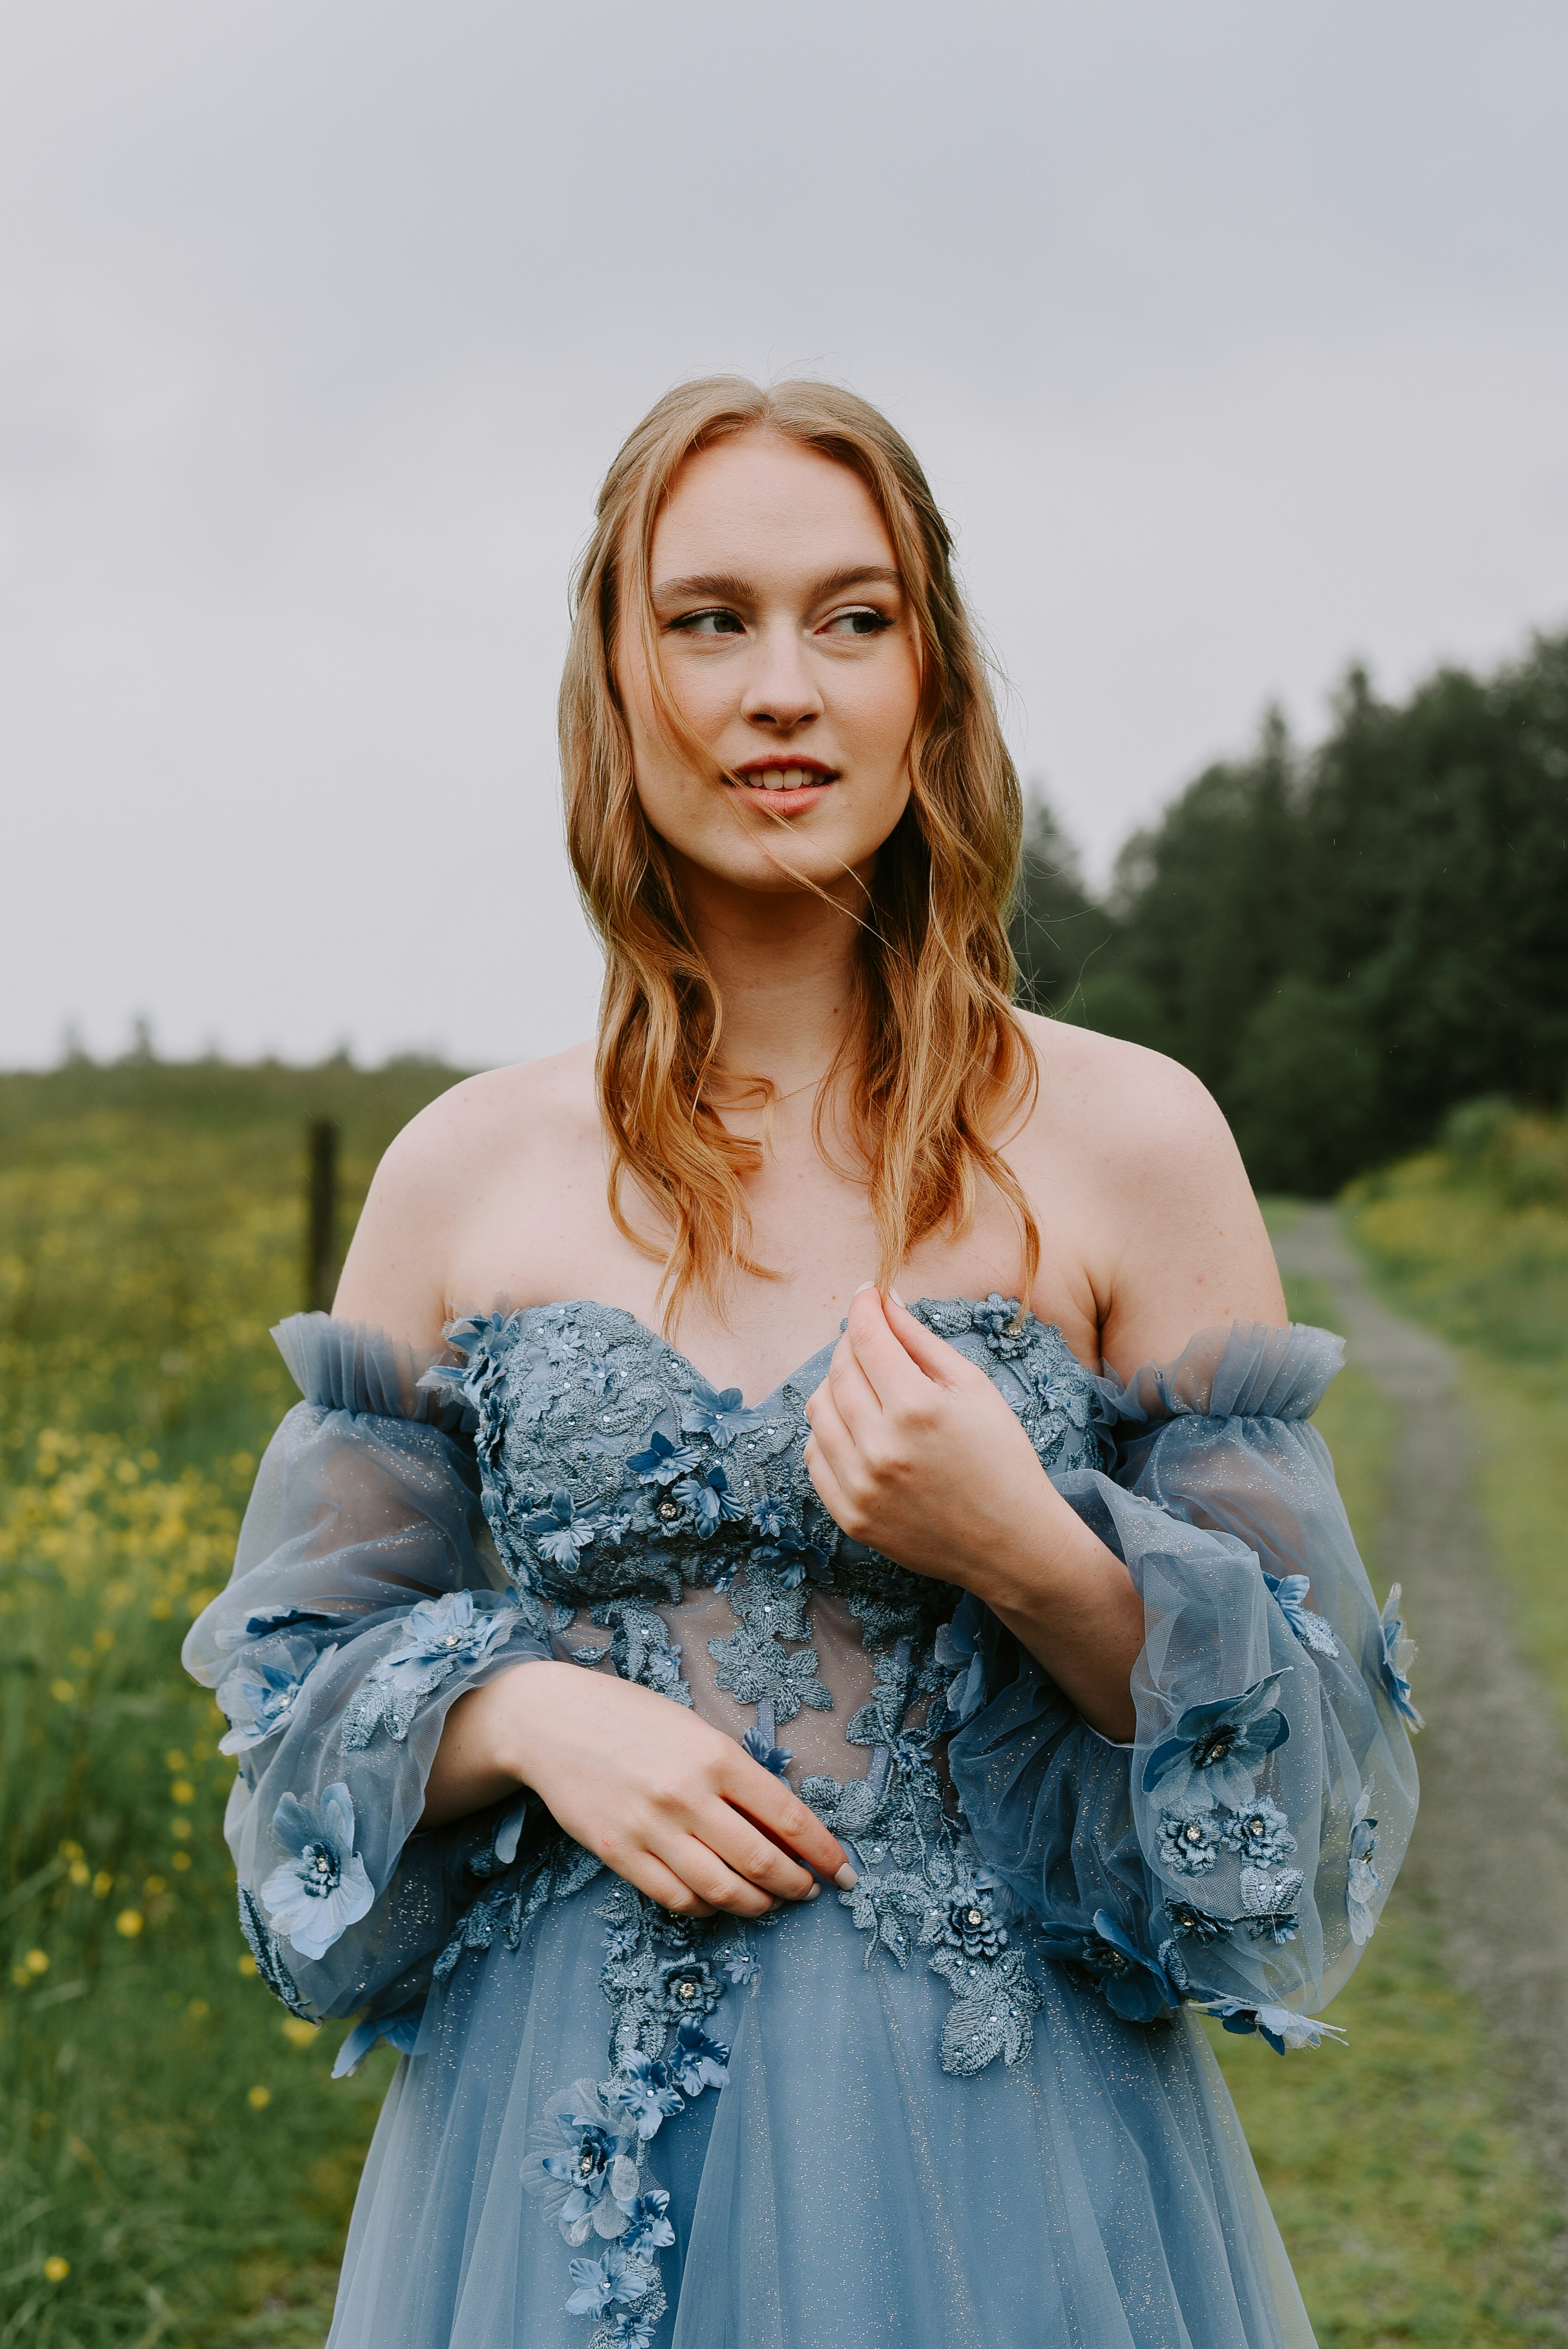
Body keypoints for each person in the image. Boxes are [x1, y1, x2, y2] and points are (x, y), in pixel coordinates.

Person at [184, 377, 1420, 2349]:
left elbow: (1295, 1776)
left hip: (999, 2136)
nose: (784, 686)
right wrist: (516, 1715)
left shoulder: (1129, 1139)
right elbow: (290, 1733)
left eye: (853, 619)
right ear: (615, 673)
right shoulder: (460, 1171)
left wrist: (1029, 1548)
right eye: (709, 618)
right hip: (551, 2152)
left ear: (929, 682)